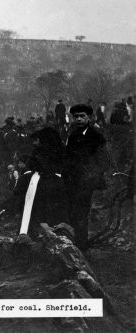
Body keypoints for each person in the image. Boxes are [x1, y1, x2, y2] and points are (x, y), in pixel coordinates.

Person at [64, 104, 107, 248]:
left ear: (89, 117)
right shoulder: (73, 135)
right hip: (72, 182)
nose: (79, 119)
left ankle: (82, 247)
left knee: (82, 214)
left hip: (87, 183)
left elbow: (102, 161)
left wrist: (89, 178)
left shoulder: (96, 137)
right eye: (76, 116)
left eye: (82, 116)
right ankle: (72, 245)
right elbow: (67, 158)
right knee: (71, 213)